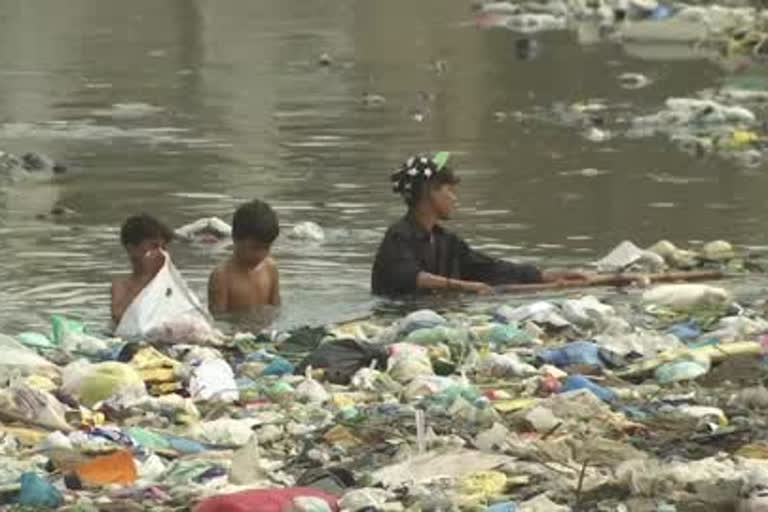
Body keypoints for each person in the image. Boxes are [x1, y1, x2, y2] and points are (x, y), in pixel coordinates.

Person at [371, 152, 588, 296]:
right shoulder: (399, 236)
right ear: (430, 192)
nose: (455, 199)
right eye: (450, 191)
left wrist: (541, 275)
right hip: (394, 315)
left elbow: (489, 267)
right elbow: (411, 277)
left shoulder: (446, 241)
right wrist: (465, 286)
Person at [208, 199, 280, 314]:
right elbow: (218, 319)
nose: (260, 255)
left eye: (266, 248)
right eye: (255, 248)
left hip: (265, 330)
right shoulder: (222, 276)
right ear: (235, 238)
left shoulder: (270, 268)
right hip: (235, 331)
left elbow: (276, 308)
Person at [111, 214, 174, 324]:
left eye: (164, 248)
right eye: (154, 246)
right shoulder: (121, 286)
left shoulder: (169, 283)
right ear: (132, 249)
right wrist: (146, 277)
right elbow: (119, 316)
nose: (161, 253)